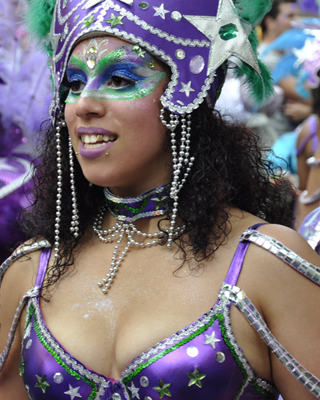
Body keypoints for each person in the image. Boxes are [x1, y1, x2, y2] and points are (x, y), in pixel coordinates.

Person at [1, 0, 320, 399]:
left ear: (186, 93)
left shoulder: (265, 266)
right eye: (74, 83)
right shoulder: (30, 274)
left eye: (119, 79)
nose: (84, 103)